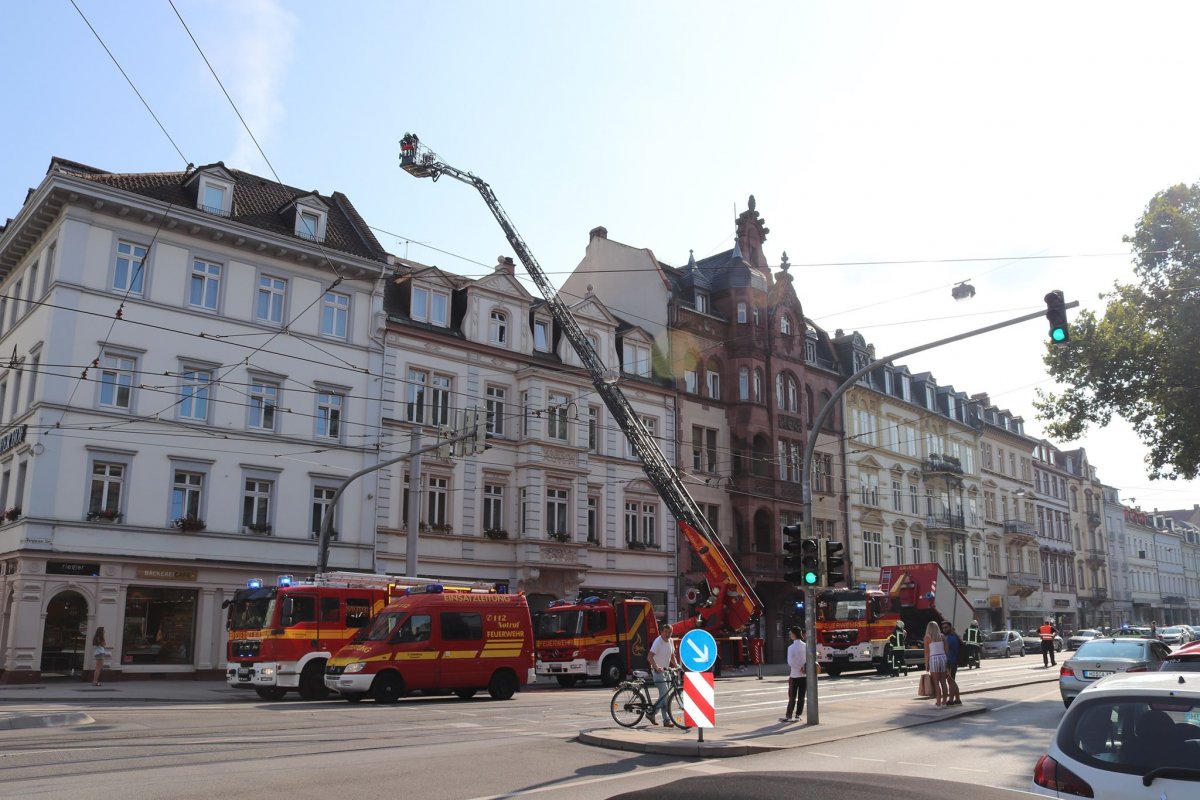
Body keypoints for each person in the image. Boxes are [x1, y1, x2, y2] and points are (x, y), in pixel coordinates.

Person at [647, 624, 677, 727]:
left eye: (670, 632)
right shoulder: (658, 642)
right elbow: (649, 657)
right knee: (666, 697)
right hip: (657, 672)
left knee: (664, 696)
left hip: (666, 671)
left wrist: (676, 665)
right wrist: (656, 667)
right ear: (661, 632)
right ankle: (666, 720)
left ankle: (652, 714)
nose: (668, 634)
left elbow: (672, 655)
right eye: (666, 632)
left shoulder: (671, 641)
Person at [780, 626, 807, 723]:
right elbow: (808, 659)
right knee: (801, 697)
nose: (790, 635)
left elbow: (790, 662)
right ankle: (798, 715)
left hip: (794, 675)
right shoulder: (805, 646)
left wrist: (798, 668)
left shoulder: (791, 647)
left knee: (792, 696)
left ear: (794, 634)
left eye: (791, 633)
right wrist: (803, 667)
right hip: (804, 675)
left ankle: (789, 715)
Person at [923, 620, 948, 707]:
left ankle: (938, 702)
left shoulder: (927, 637)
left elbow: (927, 652)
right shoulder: (942, 636)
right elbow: (946, 650)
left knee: (936, 682)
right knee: (943, 682)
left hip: (934, 659)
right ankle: (944, 702)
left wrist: (926, 665)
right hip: (942, 658)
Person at [940, 621, 962, 706]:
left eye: (946, 627)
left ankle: (951, 700)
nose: (944, 629)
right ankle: (958, 699)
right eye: (943, 628)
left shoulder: (951, 638)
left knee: (950, 681)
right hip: (950, 661)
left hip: (951, 662)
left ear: (950, 628)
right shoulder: (950, 637)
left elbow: (949, 650)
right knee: (952, 681)